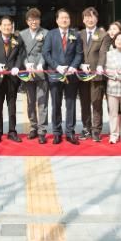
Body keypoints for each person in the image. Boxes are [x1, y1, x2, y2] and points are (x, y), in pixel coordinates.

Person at [42, 8, 84, 145]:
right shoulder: (51, 34)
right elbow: (46, 53)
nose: (64, 20)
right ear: (57, 20)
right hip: (55, 74)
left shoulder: (75, 34)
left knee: (71, 104)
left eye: (67, 17)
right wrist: (57, 67)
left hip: (71, 75)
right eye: (62, 17)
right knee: (56, 104)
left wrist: (73, 66)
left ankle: (70, 132)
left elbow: (79, 54)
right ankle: (57, 132)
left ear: (70, 20)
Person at [78, 7, 110, 142]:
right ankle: (86, 128)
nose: (89, 19)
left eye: (92, 16)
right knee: (84, 103)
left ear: (97, 19)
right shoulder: (79, 34)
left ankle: (96, 130)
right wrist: (80, 64)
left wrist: (100, 66)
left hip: (97, 75)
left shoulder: (103, 35)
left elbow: (103, 53)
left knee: (96, 103)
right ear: (83, 19)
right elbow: (76, 52)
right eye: (87, 17)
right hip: (82, 75)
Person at [19, 8, 50, 144]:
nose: (34, 22)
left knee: (42, 102)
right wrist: (26, 64)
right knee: (30, 102)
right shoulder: (22, 34)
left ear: (39, 20)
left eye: (36, 19)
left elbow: (46, 51)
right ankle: (33, 127)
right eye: (31, 20)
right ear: (27, 21)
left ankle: (42, 130)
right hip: (28, 72)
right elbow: (21, 52)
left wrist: (41, 64)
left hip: (41, 71)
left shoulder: (46, 33)